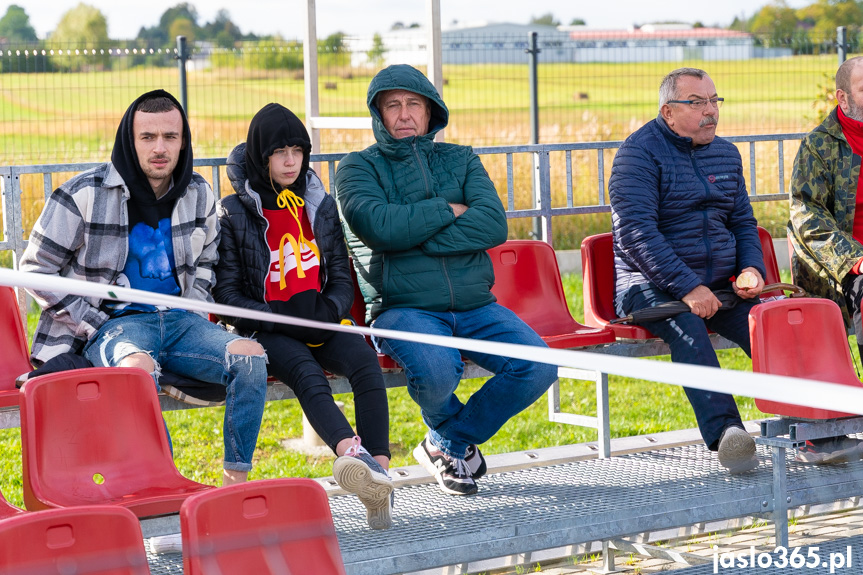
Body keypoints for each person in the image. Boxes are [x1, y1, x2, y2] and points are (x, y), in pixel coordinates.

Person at [19, 89, 269, 486]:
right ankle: (163, 484)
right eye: (147, 137)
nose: (159, 148)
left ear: (183, 141)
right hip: (116, 326)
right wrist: (90, 321)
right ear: (128, 139)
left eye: (170, 137)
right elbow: (35, 267)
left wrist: (194, 307)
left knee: (251, 356)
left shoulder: (198, 192)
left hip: (181, 321)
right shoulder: (83, 194)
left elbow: (207, 261)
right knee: (138, 370)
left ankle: (233, 485)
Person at [334, 64, 558, 496]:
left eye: (413, 104)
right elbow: (380, 228)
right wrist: (448, 210)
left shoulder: (461, 158)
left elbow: (492, 224)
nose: (403, 115)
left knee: (539, 365)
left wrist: (415, 240)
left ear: (430, 110)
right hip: (403, 309)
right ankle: (451, 447)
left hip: (477, 305)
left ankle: (445, 441)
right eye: (392, 106)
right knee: (439, 372)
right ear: (378, 115)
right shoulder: (357, 168)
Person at [214, 103, 394, 529]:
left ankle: (379, 475)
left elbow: (339, 278)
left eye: (297, 150)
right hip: (268, 328)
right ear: (262, 157)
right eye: (279, 152)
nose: (290, 160)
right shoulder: (234, 211)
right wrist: (277, 318)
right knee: (306, 374)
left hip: (318, 320)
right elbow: (226, 293)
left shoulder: (319, 203)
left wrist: (326, 311)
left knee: (366, 365)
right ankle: (353, 456)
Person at [608, 68, 765, 474]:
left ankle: (814, 419)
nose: (711, 111)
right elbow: (635, 233)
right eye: (697, 103)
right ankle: (729, 433)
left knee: (772, 324)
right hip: (648, 285)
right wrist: (688, 287)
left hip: (720, 283)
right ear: (669, 111)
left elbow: (743, 223)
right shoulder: (637, 154)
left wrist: (750, 268)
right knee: (687, 327)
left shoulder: (727, 154)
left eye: (715, 100)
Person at [788, 56, 863, 464]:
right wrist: (856, 260)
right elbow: (806, 215)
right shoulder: (819, 146)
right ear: (844, 97)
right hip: (836, 268)